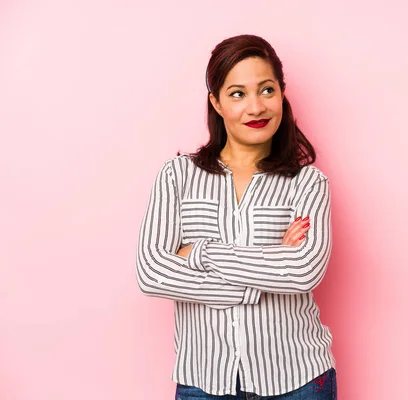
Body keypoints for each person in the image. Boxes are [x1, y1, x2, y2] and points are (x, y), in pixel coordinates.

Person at [136, 34, 336, 399]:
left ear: (282, 93)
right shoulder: (177, 176)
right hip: (204, 381)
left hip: (298, 380)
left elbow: (305, 271)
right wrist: (267, 273)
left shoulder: (308, 183)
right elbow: (151, 273)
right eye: (238, 93)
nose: (256, 107)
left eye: (267, 90)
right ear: (216, 102)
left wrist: (198, 252)